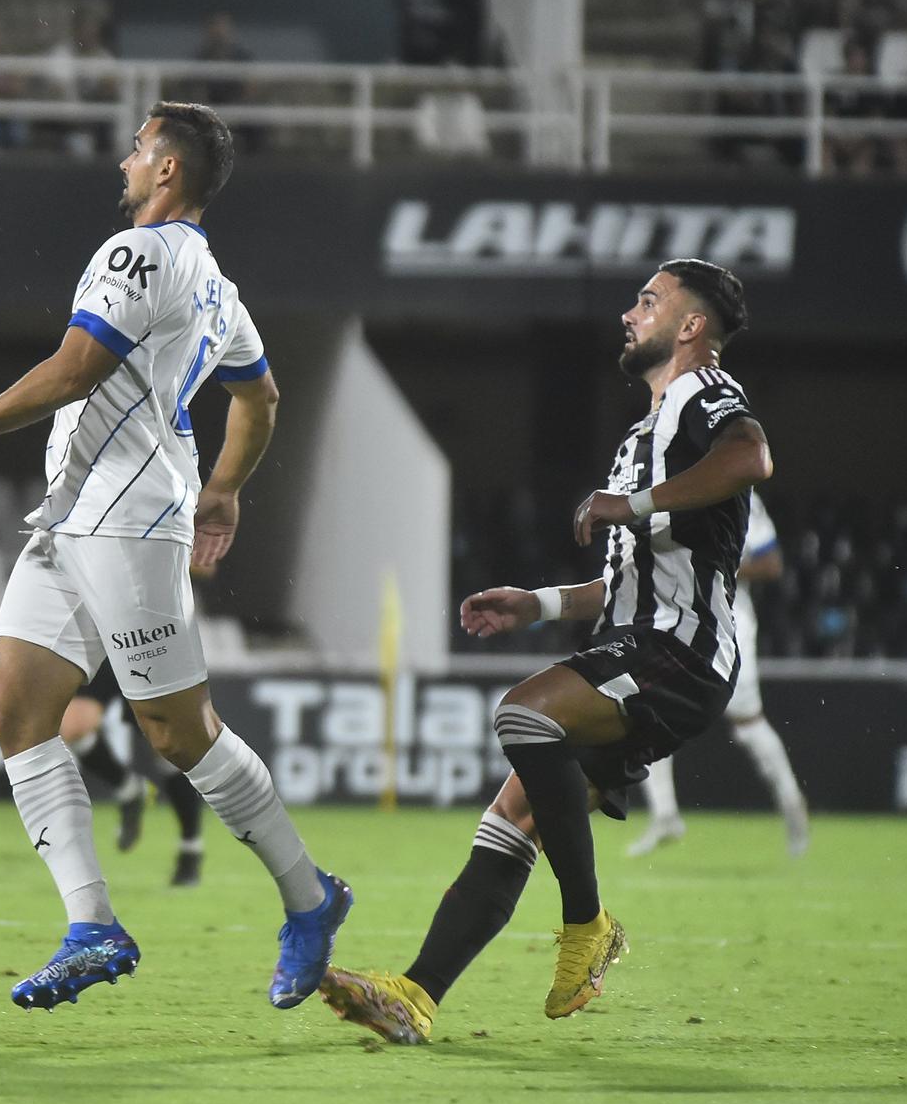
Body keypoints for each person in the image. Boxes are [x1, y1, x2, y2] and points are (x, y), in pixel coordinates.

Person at [0, 101, 352, 1011]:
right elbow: (261, 396)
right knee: (20, 712)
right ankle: (91, 925)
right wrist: (226, 487)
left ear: (168, 170)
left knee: (179, 732)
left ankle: (310, 896)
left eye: (139, 148)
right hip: (70, 518)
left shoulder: (135, 252)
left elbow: (72, 370)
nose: (126, 160)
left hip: (131, 521)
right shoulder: (216, 285)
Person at [320, 259, 772, 1045]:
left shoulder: (705, 393)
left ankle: (587, 923)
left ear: (692, 326)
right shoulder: (644, 434)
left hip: (681, 651)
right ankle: (416, 996)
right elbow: (627, 579)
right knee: (511, 818)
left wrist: (628, 503)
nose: (631, 313)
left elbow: (751, 458)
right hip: (643, 638)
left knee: (525, 715)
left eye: (650, 300)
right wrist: (537, 604)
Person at [629, 490, 810, 857]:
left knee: (747, 724)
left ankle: (793, 804)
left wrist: (716, 563)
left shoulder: (738, 496)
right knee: (649, 711)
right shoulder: (670, 488)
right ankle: (665, 816)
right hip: (680, 620)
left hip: (728, 623)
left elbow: (771, 564)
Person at [61, 661, 207, 886]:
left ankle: (190, 847)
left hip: (142, 645)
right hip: (102, 648)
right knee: (73, 726)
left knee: (166, 745)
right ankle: (128, 788)